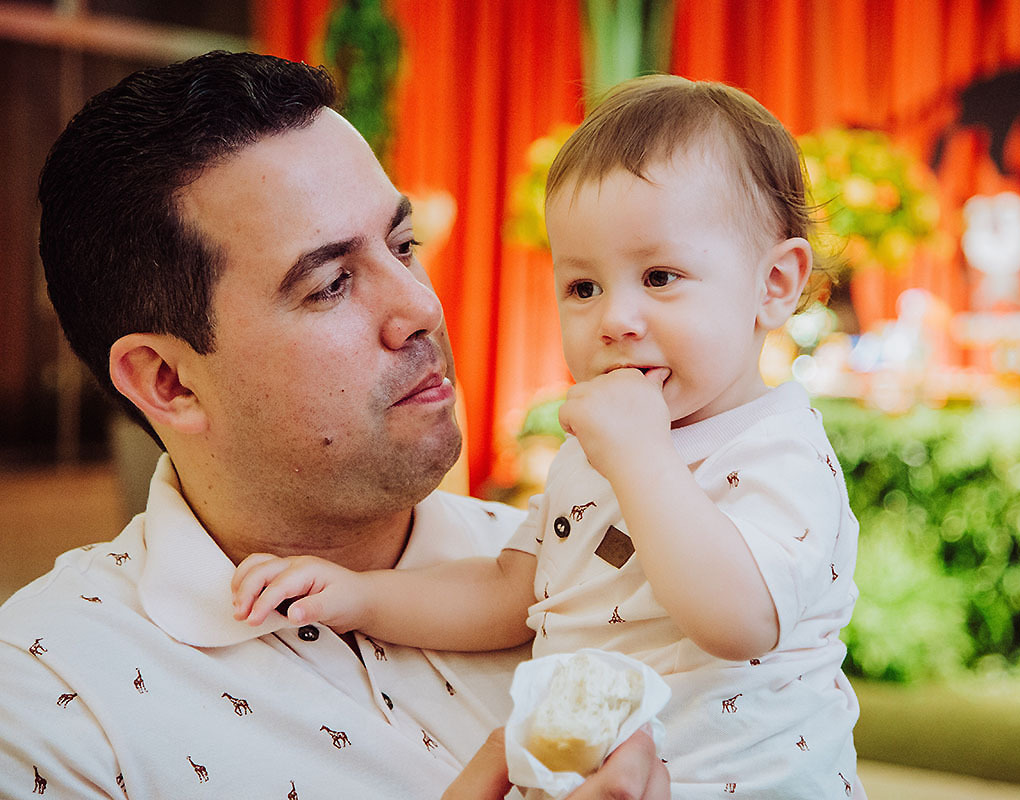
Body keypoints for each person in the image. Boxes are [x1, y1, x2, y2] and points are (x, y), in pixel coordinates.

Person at [0, 50, 666, 799]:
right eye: (331, 284)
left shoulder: (591, 572)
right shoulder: (50, 703)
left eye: (404, 247)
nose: (421, 308)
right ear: (170, 381)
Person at [234, 74, 866, 798]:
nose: (615, 320)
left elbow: (742, 621)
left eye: (660, 276)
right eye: (583, 288)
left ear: (775, 285)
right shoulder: (600, 451)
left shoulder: (778, 450)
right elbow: (513, 591)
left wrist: (640, 458)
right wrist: (361, 597)